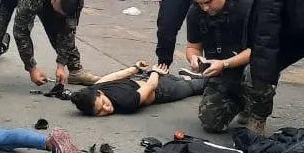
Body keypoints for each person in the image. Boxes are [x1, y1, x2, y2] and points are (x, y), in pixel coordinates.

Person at [184, 0, 275, 135]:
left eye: (209, 2)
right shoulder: (195, 12)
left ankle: (257, 114)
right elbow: (192, 47)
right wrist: (194, 58)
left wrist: (225, 63)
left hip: (251, 65)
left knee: (258, 67)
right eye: (200, 3)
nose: (205, 8)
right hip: (222, 71)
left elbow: (259, 48)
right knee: (211, 122)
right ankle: (241, 101)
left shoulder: (247, 5)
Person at [70, 61, 208, 117]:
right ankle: (190, 78)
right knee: (193, 86)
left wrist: (135, 68)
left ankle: (198, 77)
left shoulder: (124, 101)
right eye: (99, 112)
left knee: (202, 85)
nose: (107, 109)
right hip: (153, 83)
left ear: (99, 93)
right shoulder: (125, 102)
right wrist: (155, 72)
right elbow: (149, 87)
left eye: (104, 104)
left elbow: (116, 75)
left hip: (161, 87)